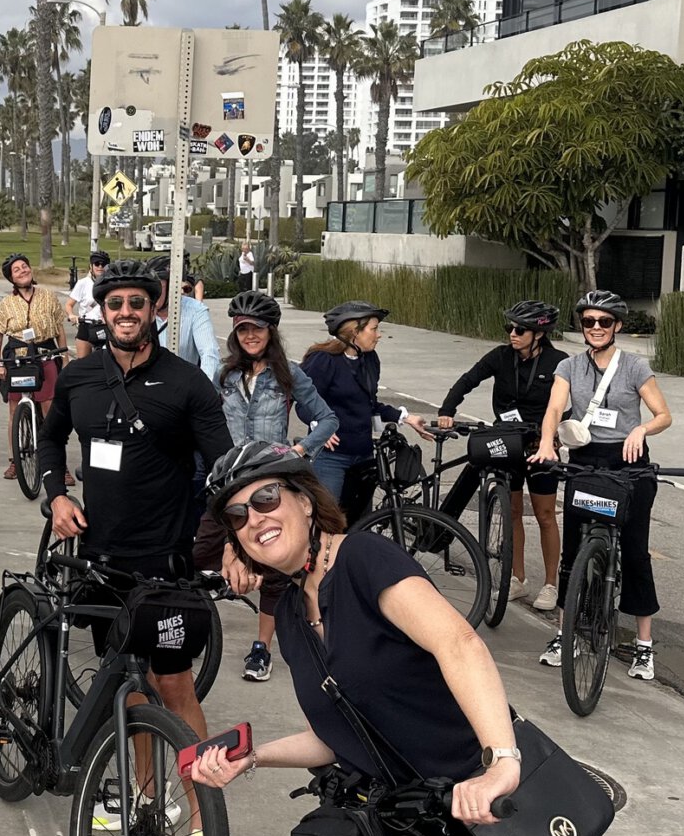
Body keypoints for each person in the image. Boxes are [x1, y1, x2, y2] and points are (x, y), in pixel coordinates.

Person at [189, 441, 563, 836]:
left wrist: (501, 763)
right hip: (395, 833)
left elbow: (459, 644)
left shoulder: (364, 558)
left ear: (304, 500)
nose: (254, 519)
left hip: (487, 815)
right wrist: (252, 758)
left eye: (267, 498)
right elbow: (342, 735)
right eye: (238, 515)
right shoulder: (291, 617)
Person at [37, 258, 234, 836]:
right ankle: (145, 802)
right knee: (131, 688)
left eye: (137, 303)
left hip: (166, 563)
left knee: (174, 687)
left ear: (155, 309)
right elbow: (51, 437)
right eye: (115, 303)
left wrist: (237, 543)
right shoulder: (79, 378)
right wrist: (54, 495)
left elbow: (223, 468)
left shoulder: (187, 385)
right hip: (100, 562)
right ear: (102, 309)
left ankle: (202, 834)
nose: (125, 312)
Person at [530, 291, 673, 681]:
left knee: (635, 553)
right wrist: (547, 443)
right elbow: (554, 410)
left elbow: (664, 415)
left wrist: (641, 429)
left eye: (604, 322)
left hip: (628, 466)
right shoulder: (570, 366)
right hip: (586, 463)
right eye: (589, 321)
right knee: (573, 553)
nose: (596, 328)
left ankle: (643, 646)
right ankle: (564, 634)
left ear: (618, 327)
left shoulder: (634, 367)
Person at [213, 291, 339, 683]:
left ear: (271, 332)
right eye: (243, 329)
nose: (251, 335)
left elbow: (327, 419)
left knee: (272, 568)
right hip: (231, 482)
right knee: (203, 552)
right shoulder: (226, 376)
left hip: (270, 485)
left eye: (258, 328)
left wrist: (299, 450)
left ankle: (261, 648)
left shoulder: (289, 374)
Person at [436, 301, 567, 610]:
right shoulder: (500, 356)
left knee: (546, 514)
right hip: (508, 438)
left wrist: (558, 430)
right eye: (508, 328)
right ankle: (517, 579)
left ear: (538, 333)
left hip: (540, 441)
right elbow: (469, 379)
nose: (512, 334)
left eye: (519, 330)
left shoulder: (558, 362)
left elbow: (569, 403)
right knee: (513, 510)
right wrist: (446, 411)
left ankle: (550, 585)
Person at [301, 301, 434, 525]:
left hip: (363, 455)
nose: (379, 335)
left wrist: (406, 418)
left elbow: (368, 405)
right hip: (331, 457)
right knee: (328, 524)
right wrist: (319, 426)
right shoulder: (323, 361)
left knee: (362, 524)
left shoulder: (369, 360)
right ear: (354, 332)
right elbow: (304, 403)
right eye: (374, 329)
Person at [0, 253, 67, 482]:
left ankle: (59, 464)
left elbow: (60, 329)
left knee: (50, 410)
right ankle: (15, 460)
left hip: (45, 355)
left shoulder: (48, 296)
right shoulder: (7, 303)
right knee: (14, 411)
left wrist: (63, 356)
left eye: (25, 266)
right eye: (17, 269)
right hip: (17, 359)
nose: (23, 270)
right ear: (11, 278)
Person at [151, 256, 220, 381]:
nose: (153, 293)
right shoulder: (141, 310)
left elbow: (209, 352)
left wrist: (204, 390)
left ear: (173, 287)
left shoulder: (196, 310)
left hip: (185, 387)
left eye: (158, 287)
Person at [66, 250, 109, 358]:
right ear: (91, 266)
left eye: (103, 264)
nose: (100, 267)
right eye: (97, 264)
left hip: (105, 326)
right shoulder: (83, 283)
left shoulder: (111, 284)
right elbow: (69, 304)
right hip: (87, 325)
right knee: (83, 362)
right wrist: (71, 315)